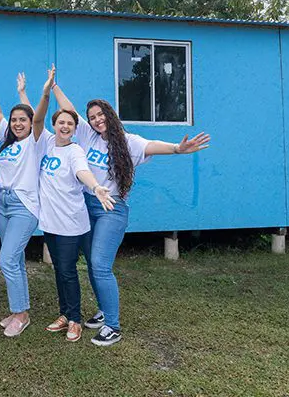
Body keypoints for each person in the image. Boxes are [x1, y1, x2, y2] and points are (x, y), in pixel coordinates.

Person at [53, 87, 210, 346]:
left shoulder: (128, 141)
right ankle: (104, 309)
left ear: (110, 115)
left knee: (101, 265)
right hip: (86, 206)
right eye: (92, 117)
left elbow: (151, 146)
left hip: (111, 209)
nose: (96, 120)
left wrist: (177, 148)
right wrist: (54, 86)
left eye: (100, 114)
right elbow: (69, 109)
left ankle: (113, 326)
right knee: (93, 264)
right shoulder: (88, 136)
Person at [31, 67, 115, 344]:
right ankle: (65, 314)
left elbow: (83, 172)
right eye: (61, 123)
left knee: (68, 272)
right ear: (54, 126)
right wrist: (48, 91)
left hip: (71, 223)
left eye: (70, 124)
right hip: (50, 223)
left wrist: (96, 186)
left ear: (76, 128)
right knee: (59, 270)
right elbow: (38, 118)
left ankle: (76, 319)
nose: (65, 127)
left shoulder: (76, 150)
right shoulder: (45, 144)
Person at [0, 70, 42, 338]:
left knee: (6, 260)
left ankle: (21, 313)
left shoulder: (35, 142)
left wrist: (23, 94)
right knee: (14, 260)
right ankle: (19, 310)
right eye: (14, 120)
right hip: (3, 203)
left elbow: (37, 114)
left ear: (30, 123)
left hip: (23, 206)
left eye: (22, 120)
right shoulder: (7, 139)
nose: (17, 124)